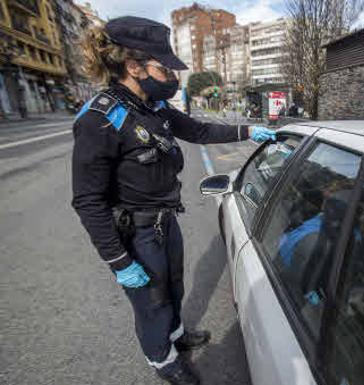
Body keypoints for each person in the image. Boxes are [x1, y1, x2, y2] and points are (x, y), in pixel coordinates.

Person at [71, 16, 276, 385]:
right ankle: (162, 360)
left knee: (175, 287)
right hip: (136, 233)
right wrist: (119, 261)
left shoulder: (153, 106)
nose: (171, 75)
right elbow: (88, 200)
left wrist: (248, 131)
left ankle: (177, 337)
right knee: (151, 303)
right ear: (133, 67)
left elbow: (198, 130)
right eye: (163, 67)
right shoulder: (102, 118)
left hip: (166, 221)